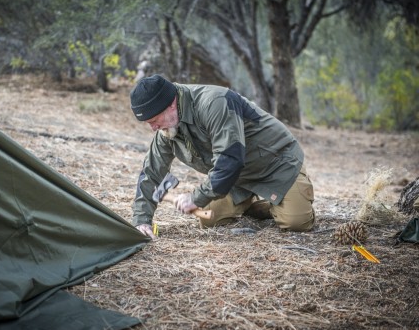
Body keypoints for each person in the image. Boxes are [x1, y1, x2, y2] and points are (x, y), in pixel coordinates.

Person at [129, 74, 315, 239]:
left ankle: (284, 201)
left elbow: (229, 158)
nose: (153, 128)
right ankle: (252, 201)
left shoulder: (214, 103)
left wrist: (196, 197)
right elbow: (151, 172)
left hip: (276, 164)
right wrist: (142, 220)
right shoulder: (167, 128)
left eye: (154, 120)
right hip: (236, 178)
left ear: (170, 104)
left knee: (295, 223)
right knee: (210, 220)